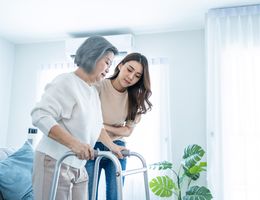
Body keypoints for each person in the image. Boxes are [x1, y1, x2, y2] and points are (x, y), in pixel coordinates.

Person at [31, 36, 125, 200]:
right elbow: (40, 115)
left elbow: (98, 127)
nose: (109, 69)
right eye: (107, 62)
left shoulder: (93, 92)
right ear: (93, 55)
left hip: (78, 166)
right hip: (54, 161)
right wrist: (74, 144)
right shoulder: (66, 82)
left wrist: (113, 147)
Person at [85, 52, 152, 200]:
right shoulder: (99, 86)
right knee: (89, 195)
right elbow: (87, 122)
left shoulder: (135, 99)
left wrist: (101, 124)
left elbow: (127, 131)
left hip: (117, 148)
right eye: (129, 69)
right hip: (91, 146)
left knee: (115, 196)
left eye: (137, 76)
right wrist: (101, 126)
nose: (130, 77)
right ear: (120, 65)